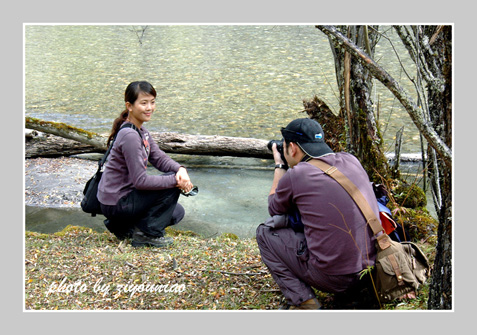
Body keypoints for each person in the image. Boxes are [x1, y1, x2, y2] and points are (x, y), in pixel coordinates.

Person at [256, 118, 379, 309]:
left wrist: (280, 166)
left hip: (334, 279)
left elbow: (274, 208)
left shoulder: (298, 174)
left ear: (293, 148)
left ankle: (305, 303)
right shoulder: (351, 160)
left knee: (265, 231)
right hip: (371, 272)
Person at [98, 81, 194, 248]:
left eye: (152, 102)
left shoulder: (141, 131)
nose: (150, 107)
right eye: (144, 103)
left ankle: (123, 227)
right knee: (170, 185)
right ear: (129, 105)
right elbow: (140, 181)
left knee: (176, 212)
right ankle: (146, 235)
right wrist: (176, 181)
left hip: (120, 199)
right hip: (117, 202)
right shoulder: (130, 136)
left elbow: (159, 158)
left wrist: (180, 169)